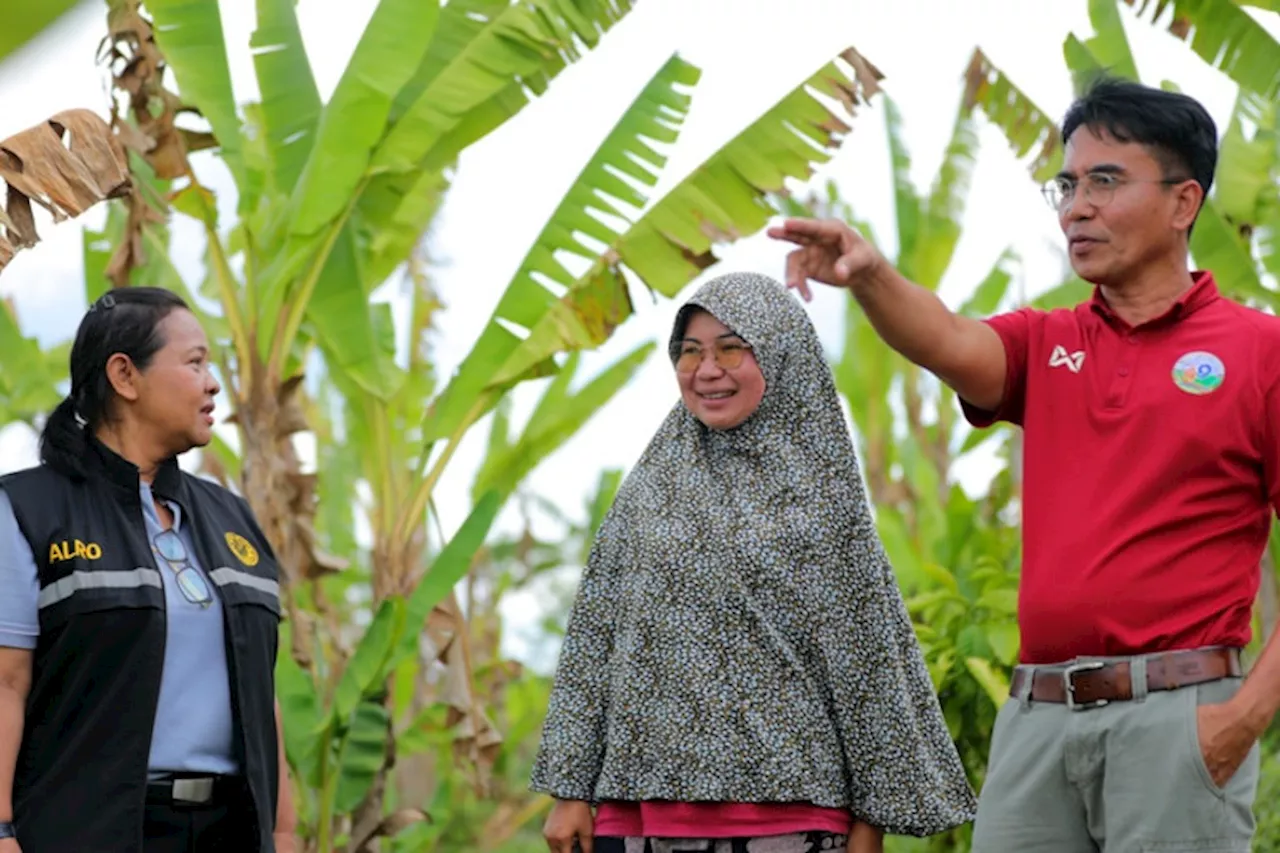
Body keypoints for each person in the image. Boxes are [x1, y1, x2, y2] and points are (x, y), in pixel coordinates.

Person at [769, 76, 1280, 851]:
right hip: (1037, 720)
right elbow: (944, 337)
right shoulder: (1048, 342)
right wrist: (869, 274)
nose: (1077, 205)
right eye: (1068, 184)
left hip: (1178, 716)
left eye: (1106, 181)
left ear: (1183, 203)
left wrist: (1240, 719)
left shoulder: (1259, 350)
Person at [531, 271, 976, 853]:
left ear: (779, 355)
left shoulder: (823, 501)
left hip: (788, 823)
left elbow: (867, 665)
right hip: (638, 817)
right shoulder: (648, 491)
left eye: (731, 348)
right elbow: (596, 636)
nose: (706, 369)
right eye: (690, 352)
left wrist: (869, 826)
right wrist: (570, 791)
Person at [0, 288, 297, 852]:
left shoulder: (232, 517)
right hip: (91, 831)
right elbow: (4, 683)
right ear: (125, 376)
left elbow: (263, 694)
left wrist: (283, 833)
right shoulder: (26, 510)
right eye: (194, 362)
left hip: (229, 831)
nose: (213, 383)